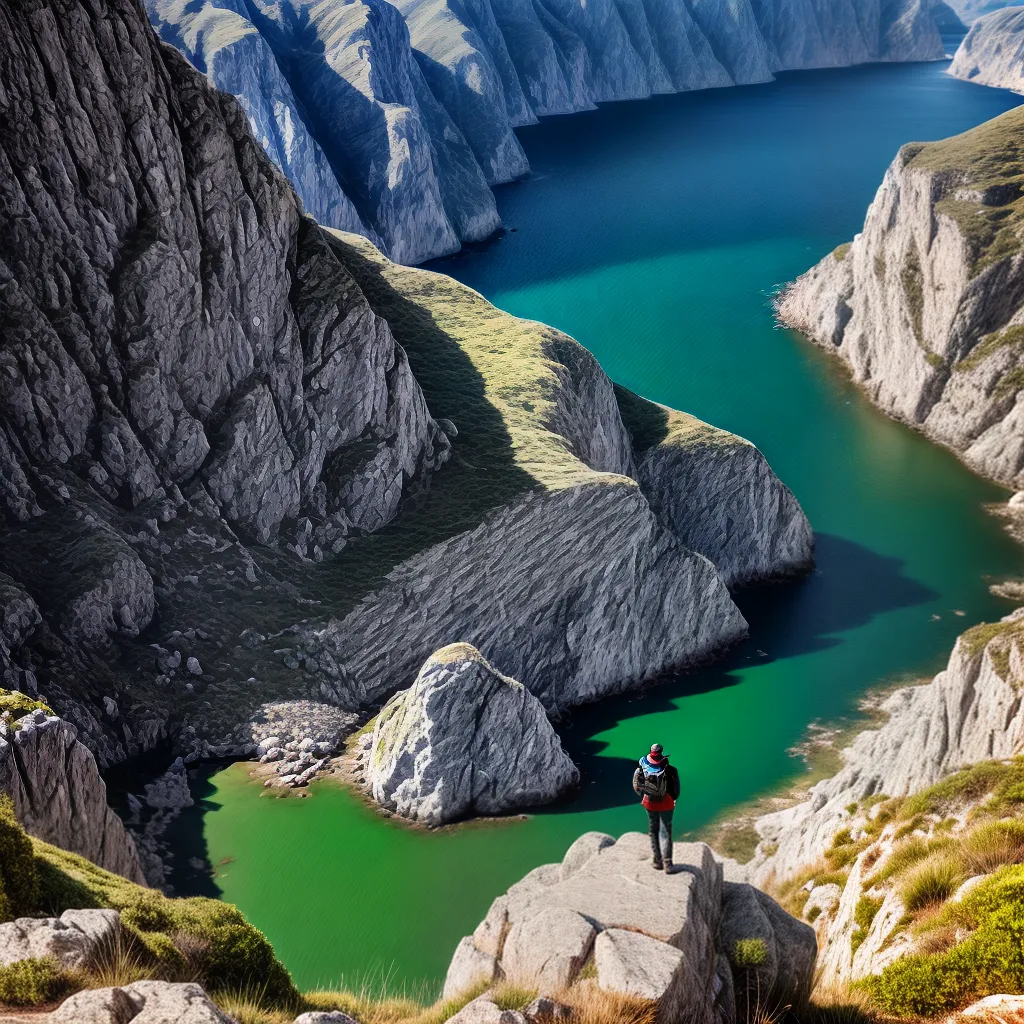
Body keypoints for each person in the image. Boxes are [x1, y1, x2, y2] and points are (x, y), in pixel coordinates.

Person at [632, 743, 680, 871]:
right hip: (667, 804)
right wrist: (673, 800)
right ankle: (668, 863)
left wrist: (643, 794)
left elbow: (636, 785)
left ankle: (657, 861)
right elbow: (676, 790)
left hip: (650, 803)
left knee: (653, 831)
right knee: (665, 832)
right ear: (662, 753)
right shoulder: (671, 770)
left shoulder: (643, 768)